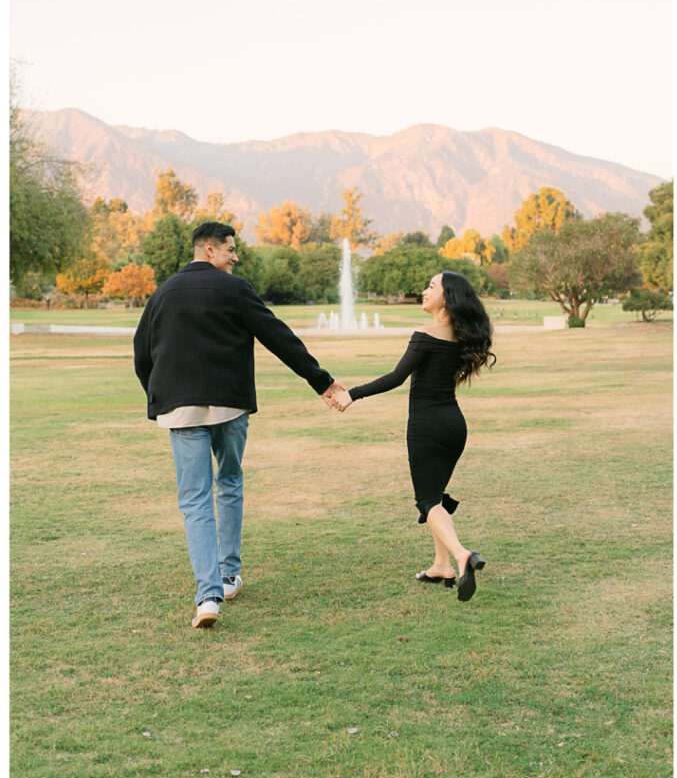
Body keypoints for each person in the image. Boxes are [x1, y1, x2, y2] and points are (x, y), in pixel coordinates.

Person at [133, 221, 344, 629]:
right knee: (228, 482)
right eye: (230, 249)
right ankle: (228, 575)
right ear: (209, 249)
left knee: (195, 501)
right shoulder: (235, 288)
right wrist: (321, 381)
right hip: (230, 406)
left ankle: (208, 596)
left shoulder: (162, 293)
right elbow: (277, 336)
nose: (235, 257)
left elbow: (142, 353)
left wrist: (158, 396)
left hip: (180, 408)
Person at [331, 271, 495, 602]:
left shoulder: (424, 334)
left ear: (446, 298)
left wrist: (353, 394)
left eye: (430, 287)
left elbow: (396, 377)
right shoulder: (460, 337)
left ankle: (462, 556)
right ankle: (441, 565)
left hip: (428, 426)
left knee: (428, 500)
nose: (423, 291)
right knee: (436, 495)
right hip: (454, 426)